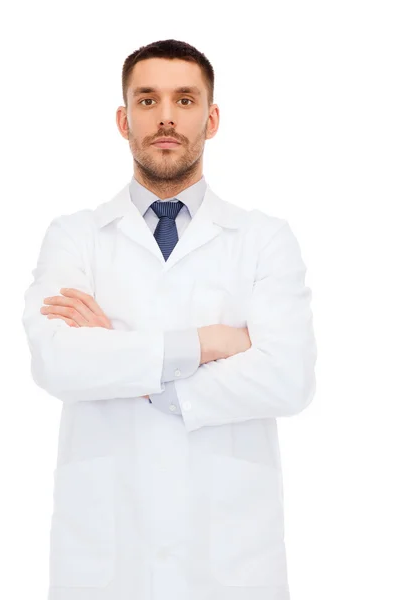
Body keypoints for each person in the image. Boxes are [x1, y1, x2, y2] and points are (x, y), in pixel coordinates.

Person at [21, 38, 317, 600]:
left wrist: (120, 358)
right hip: (106, 558)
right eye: (147, 99)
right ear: (122, 118)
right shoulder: (74, 237)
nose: (165, 118)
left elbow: (289, 378)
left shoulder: (263, 240)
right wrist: (213, 342)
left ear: (212, 117)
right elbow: (57, 361)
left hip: (231, 558)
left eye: (185, 100)